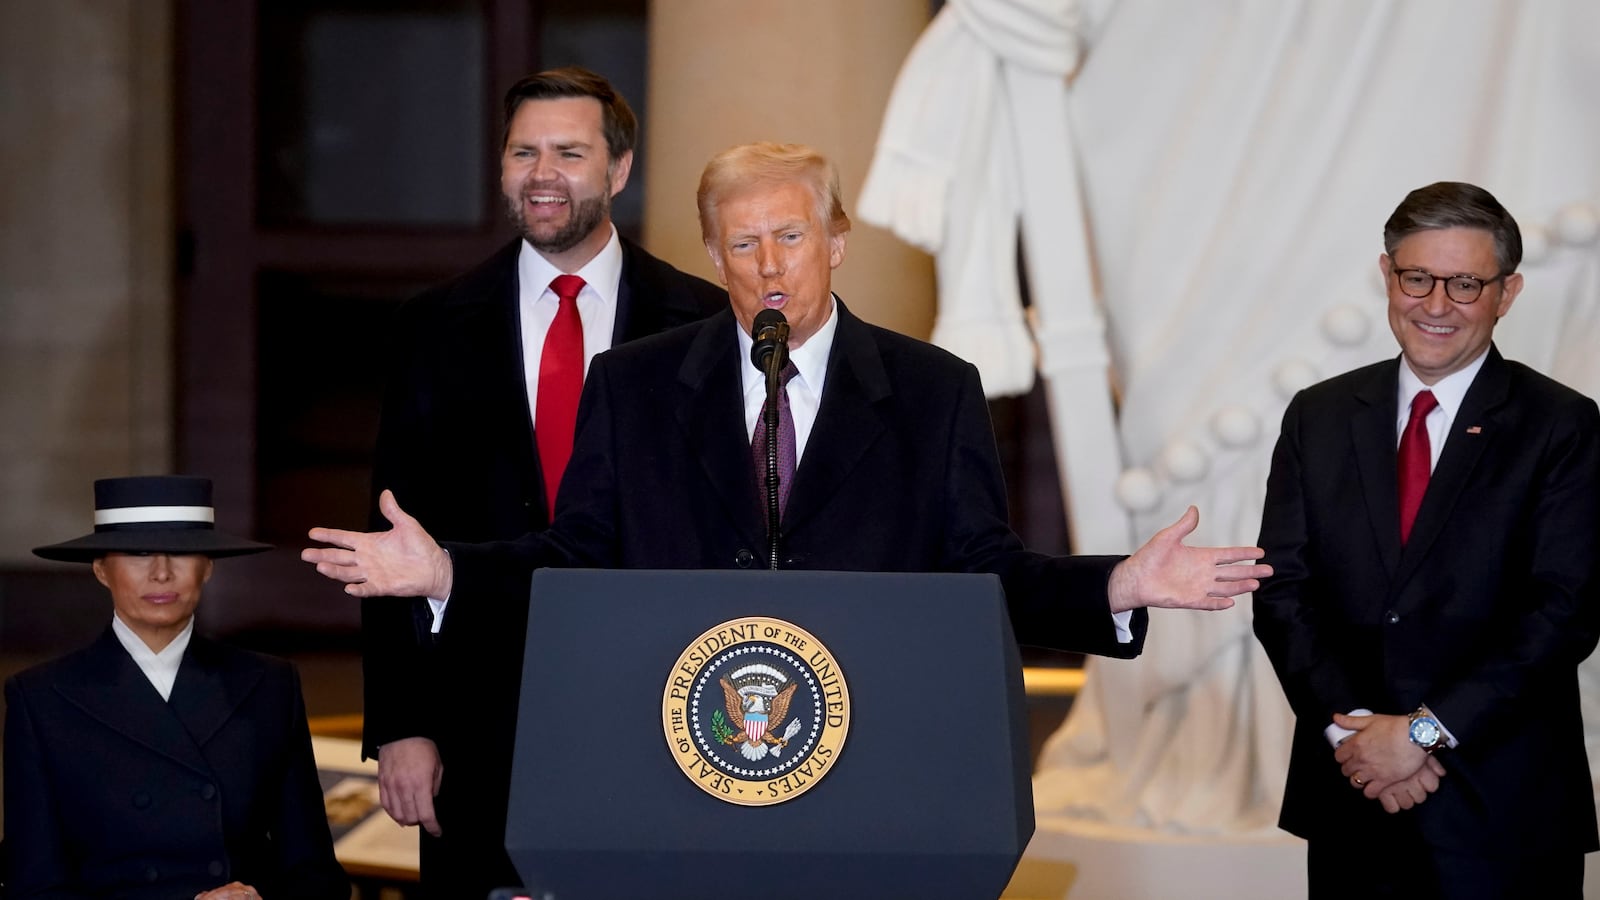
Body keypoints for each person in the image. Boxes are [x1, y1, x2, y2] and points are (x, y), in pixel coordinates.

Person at [314, 141, 1268, 691]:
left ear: (837, 242)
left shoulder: (932, 390)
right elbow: (576, 558)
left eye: (790, 237)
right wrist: (448, 571)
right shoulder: (634, 387)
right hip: (674, 741)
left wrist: (1115, 588)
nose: (769, 266)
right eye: (742, 244)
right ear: (714, 255)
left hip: (868, 740)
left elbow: (982, 573)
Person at [361, 66, 726, 895]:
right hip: (475, 717)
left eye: (568, 151)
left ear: (618, 170)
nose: (543, 174)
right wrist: (402, 724)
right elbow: (392, 535)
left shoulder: (702, 323)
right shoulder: (432, 325)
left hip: (660, 706)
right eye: (523, 151)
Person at [1253, 182, 1600, 897]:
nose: (1436, 305)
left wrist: (1419, 735)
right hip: (1355, 801)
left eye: (1466, 284)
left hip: (1500, 810)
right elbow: (1283, 593)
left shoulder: (1562, 425)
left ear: (1507, 293)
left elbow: (1565, 611)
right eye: (1417, 278)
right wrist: (1355, 740)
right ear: (1388, 274)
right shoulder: (1317, 416)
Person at [3, 476, 349, 899]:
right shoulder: (40, 700)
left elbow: (316, 875)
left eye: (182, 552)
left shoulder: (270, 685)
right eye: (138, 553)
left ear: (208, 566)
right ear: (100, 570)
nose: (162, 572)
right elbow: (33, 888)